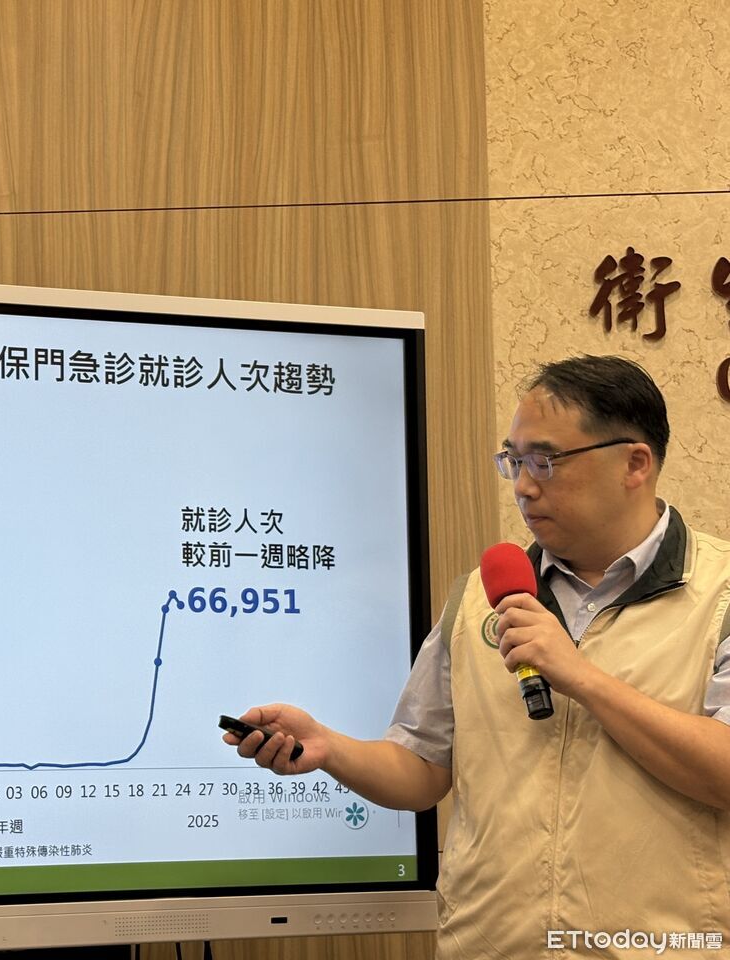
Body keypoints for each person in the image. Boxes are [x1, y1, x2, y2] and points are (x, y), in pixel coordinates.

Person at [226, 355, 730, 958]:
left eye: (545, 460)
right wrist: (329, 748)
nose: (523, 485)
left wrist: (581, 678)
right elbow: (422, 767)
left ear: (634, 463)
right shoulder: (478, 600)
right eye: (513, 461)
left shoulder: (721, 592)